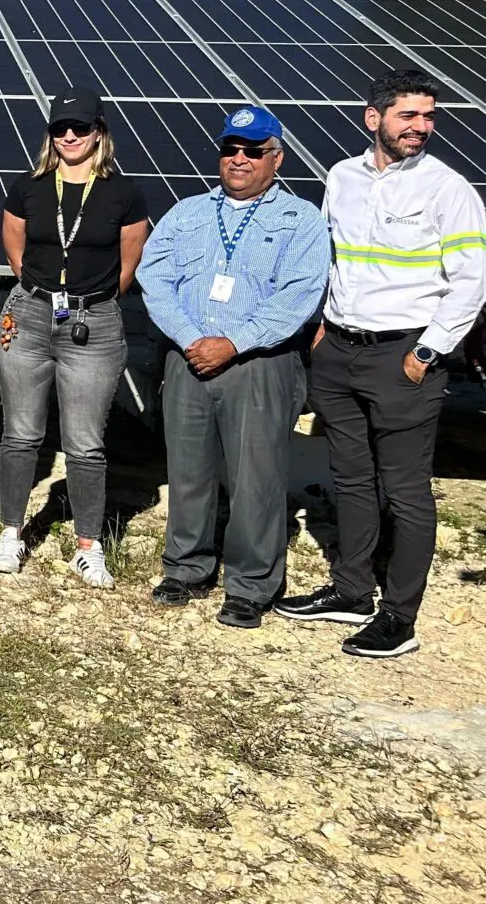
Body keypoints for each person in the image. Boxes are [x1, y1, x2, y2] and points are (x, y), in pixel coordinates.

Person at [274, 71, 486, 657]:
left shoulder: (449, 190)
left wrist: (428, 351)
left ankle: (400, 617)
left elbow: (472, 282)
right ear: (375, 118)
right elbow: (334, 260)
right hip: (339, 350)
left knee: (406, 490)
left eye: (429, 116)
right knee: (351, 477)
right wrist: (320, 326)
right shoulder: (342, 177)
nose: (421, 127)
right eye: (408, 116)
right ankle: (350, 591)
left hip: (403, 356)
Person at [138, 108, 331, 628]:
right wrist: (191, 338)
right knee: (188, 471)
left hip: (260, 365)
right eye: (231, 149)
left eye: (253, 150)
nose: (239, 159)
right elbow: (153, 278)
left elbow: (299, 296)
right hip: (188, 359)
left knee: (256, 478)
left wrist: (233, 342)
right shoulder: (188, 213)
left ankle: (250, 584)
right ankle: (186, 567)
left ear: (276, 158)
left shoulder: (302, 220)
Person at [0, 89, 150, 588]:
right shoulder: (29, 188)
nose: (70, 137)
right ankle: (11, 532)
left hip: (93, 325)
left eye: (80, 128)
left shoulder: (124, 194)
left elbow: (130, 261)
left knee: (84, 443)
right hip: (29, 315)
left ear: (99, 132)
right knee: (20, 434)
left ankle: (88, 546)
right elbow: (14, 244)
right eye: (61, 128)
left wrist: (90, 300)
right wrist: (40, 291)